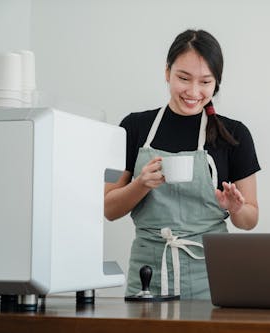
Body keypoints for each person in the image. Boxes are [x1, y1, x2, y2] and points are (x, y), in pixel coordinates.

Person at [104, 29, 260, 299]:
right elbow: (108, 208)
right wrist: (140, 185)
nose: (193, 91)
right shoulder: (133, 128)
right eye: (183, 78)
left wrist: (237, 208)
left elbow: (250, 220)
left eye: (205, 82)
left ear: (216, 84)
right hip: (148, 276)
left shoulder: (235, 135)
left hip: (213, 276)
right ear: (167, 72)